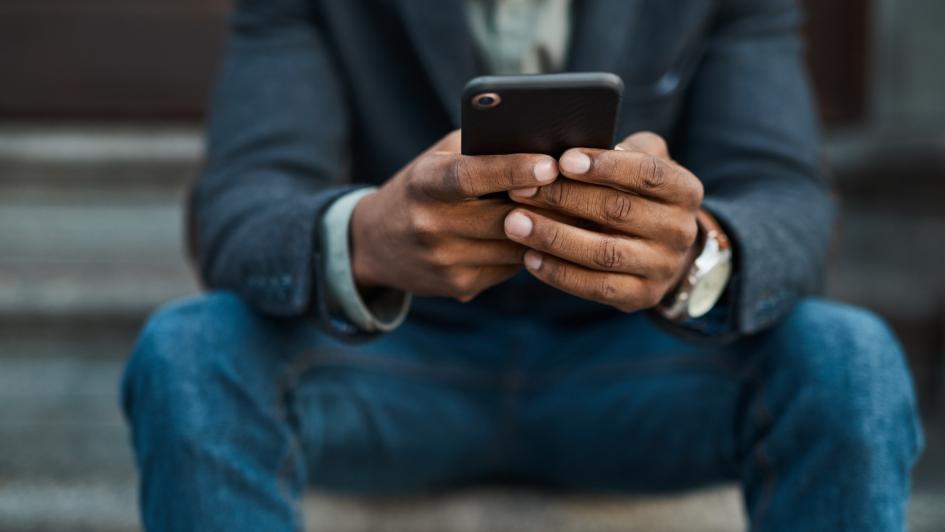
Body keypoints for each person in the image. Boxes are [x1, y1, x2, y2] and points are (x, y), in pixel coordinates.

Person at [121, 0, 924, 530]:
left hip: (639, 367)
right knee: (191, 350)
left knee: (847, 357)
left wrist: (689, 252)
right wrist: (368, 237)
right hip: (396, 366)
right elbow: (240, 201)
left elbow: (788, 201)